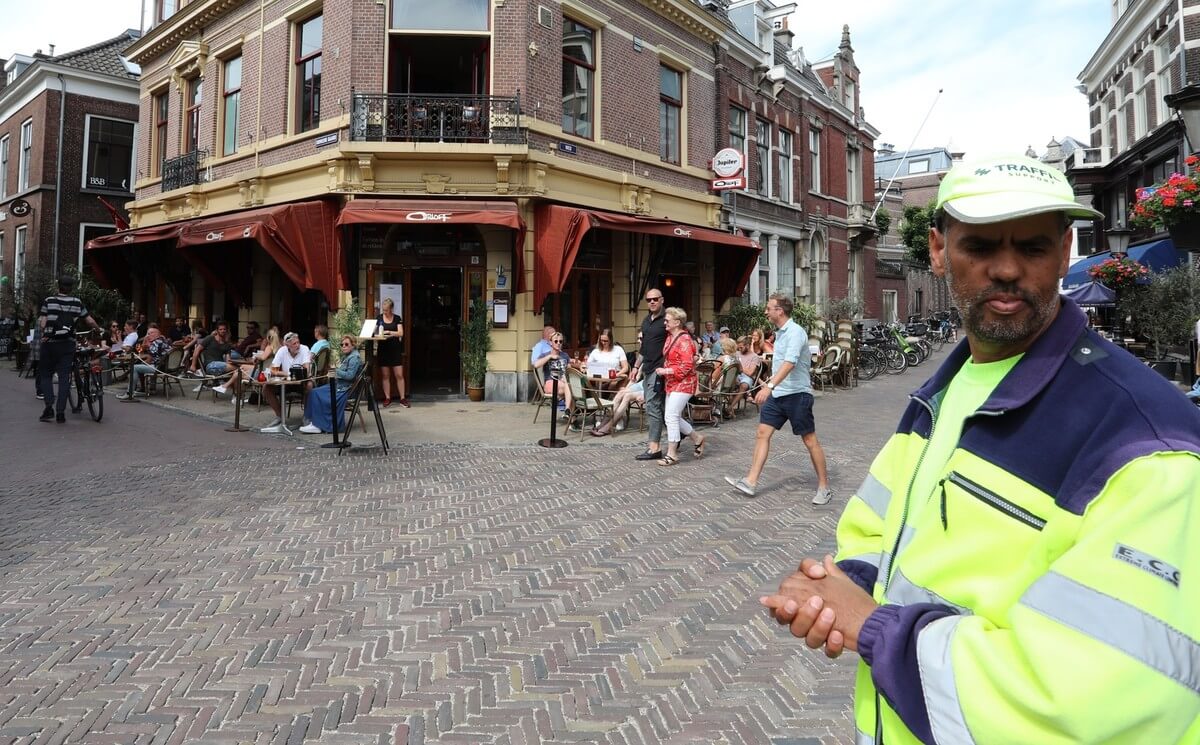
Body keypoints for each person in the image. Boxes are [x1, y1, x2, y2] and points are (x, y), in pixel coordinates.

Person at [761, 154, 1200, 744]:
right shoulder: (945, 388)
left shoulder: (1149, 444)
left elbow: (1095, 694)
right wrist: (840, 585)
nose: (1008, 268)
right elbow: (877, 528)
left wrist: (871, 626)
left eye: (1034, 248)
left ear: (1065, 251)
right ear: (939, 250)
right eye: (981, 246)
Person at [725, 293, 830, 503]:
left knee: (809, 440)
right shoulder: (780, 333)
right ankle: (751, 481)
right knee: (762, 433)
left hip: (797, 395)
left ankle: (824, 487)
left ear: (779, 311)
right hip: (778, 394)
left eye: (769, 308)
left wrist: (770, 385)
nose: (765, 311)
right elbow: (781, 363)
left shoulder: (795, 332)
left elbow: (790, 363)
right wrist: (769, 384)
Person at [36, 275, 100, 422]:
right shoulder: (77, 302)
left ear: (58, 286)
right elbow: (89, 320)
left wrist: (45, 332)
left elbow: (43, 322)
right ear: (72, 288)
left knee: (46, 375)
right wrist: (97, 329)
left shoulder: (49, 301)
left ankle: (49, 407)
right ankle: (60, 413)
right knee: (65, 377)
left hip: (50, 343)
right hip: (67, 344)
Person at [656, 306, 706, 466]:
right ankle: (697, 438)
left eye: (667, 320)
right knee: (673, 416)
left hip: (684, 383)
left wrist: (665, 371)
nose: (665, 322)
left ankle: (672, 453)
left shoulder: (684, 339)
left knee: (670, 416)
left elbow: (685, 366)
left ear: (677, 322)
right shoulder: (670, 337)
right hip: (672, 382)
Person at [300, 335, 364, 434]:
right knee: (313, 392)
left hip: (345, 390)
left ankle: (318, 425)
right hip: (339, 386)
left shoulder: (354, 358)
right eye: (342, 344)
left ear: (353, 345)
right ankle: (314, 422)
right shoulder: (348, 356)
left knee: (316, 394)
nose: (343, 346)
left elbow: (350, 376)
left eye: (346, 344)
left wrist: (336, 371)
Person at [635, 288, 668, 460]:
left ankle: (654, 447)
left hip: (659, 370)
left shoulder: (667, 320)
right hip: (647, 368)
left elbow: (678, 339)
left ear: (662, 300)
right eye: (649, 300)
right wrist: (636, 367)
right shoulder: (647, 321)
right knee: (661, 408)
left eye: (655, 299)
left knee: (652, 407)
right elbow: (644, 348)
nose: (652, 302)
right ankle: (691, 434)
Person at [260, 331, 313, 433]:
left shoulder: (304, 348)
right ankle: (280, 416)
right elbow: (272, 370)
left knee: (310, 385)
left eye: (298, 342)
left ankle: (307, 416)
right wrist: (286, 374)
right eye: (294, 344)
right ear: (287, 345)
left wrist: (291, 374)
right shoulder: (282, 351)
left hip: (301, 382)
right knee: (266, 388)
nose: (297, 345)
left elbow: (306, 369)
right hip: (286, 382)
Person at [117, 324, 171, 400]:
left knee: (135, 368)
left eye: (149, 334)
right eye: (147, 334)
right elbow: (145, 352)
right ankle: (149, 388)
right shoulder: (163, 341)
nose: (147, 336)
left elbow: (151, 355)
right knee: (141, 365)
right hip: (166, 367)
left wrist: (147, 343)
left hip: (158, 368)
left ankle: (129, 393)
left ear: (156, 334)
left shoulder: (157, 342)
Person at [376, 297, 408, 408]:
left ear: (391, 309)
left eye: (386, 310)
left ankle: (402, 398)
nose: (384, 312)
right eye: (383, 310)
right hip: (383, 349)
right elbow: (375, 331)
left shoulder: (397, 318)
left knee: (399, 374)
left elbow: (401, 333)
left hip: (395, 349)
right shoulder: (379, 318)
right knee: (385, 375)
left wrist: (389, 332)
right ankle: (387, 398)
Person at [532, 330, 573, 414]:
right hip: (550, 383)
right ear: (551, 343)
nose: (558, 343)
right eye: (556, 341)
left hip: (563, 382)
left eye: (560, 341)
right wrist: (549, 356)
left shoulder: (565, 355)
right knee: (569, 387)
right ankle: (567, 410)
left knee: (573, 387)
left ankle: (571, 418)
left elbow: (569, 370)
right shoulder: (546, 354)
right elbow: (536, 365)